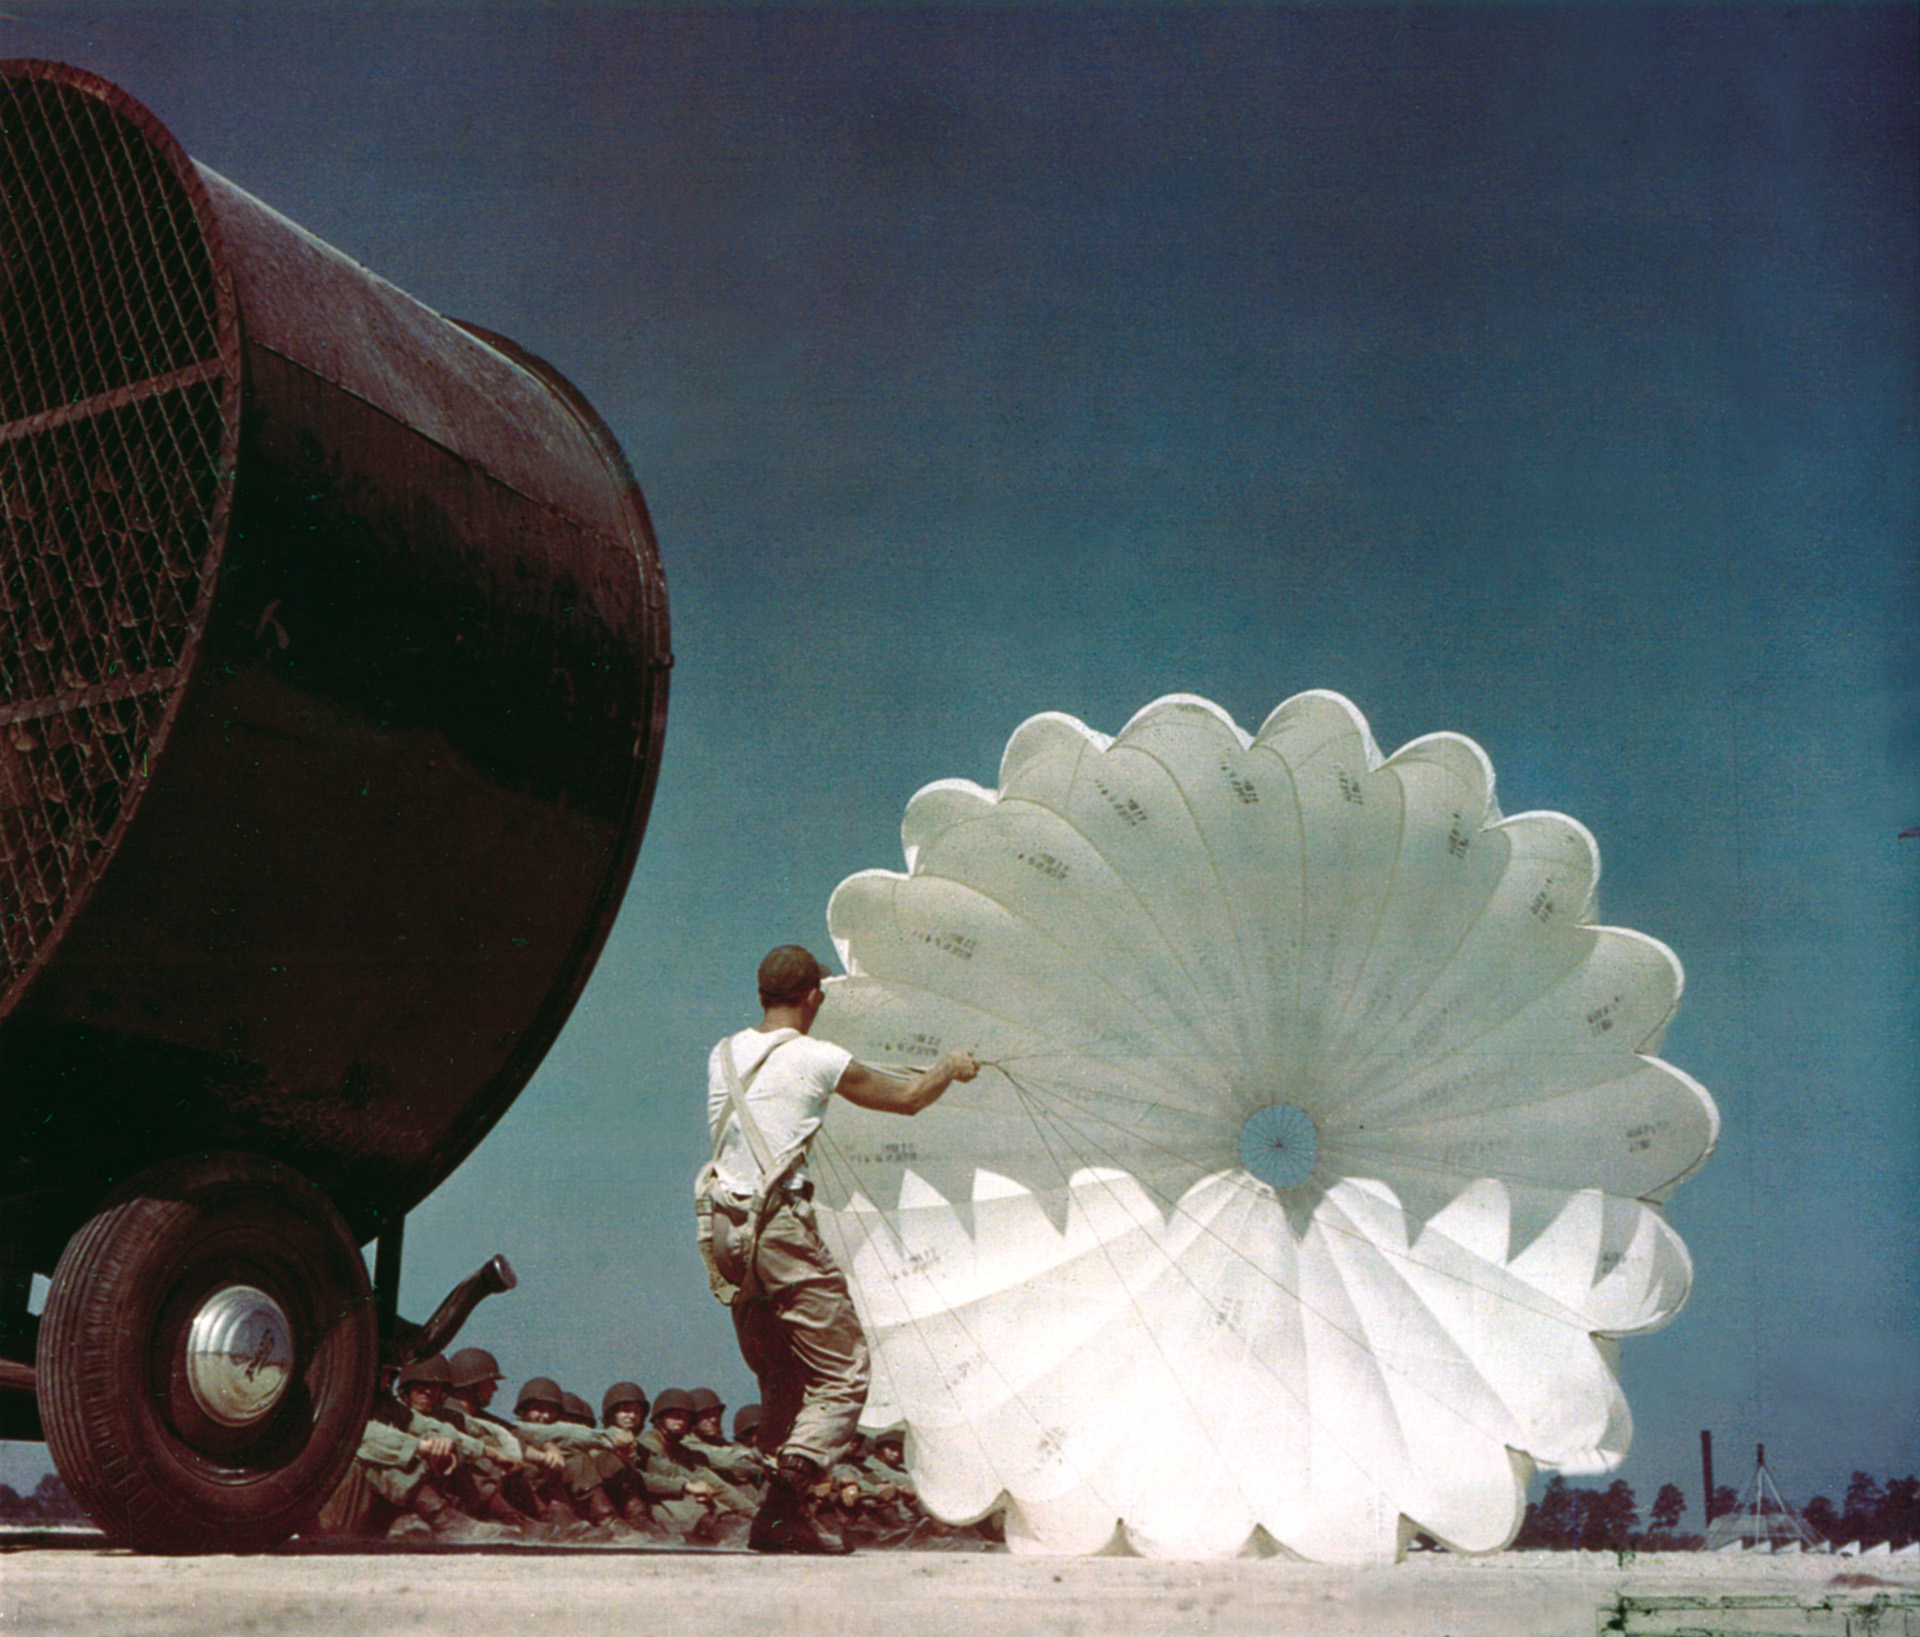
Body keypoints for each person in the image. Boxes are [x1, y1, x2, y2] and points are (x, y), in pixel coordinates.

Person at [703, 943, 978, 1554]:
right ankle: (781, 1504)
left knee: (782, 1373)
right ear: (813, 998)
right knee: (843, 1371)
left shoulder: (720, 1055)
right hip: (776, 1228)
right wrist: (948, 1067)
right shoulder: (819, 1057)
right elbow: (906, 1098)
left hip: (724, 1232)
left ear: (760, 996)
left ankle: (781, 1516)